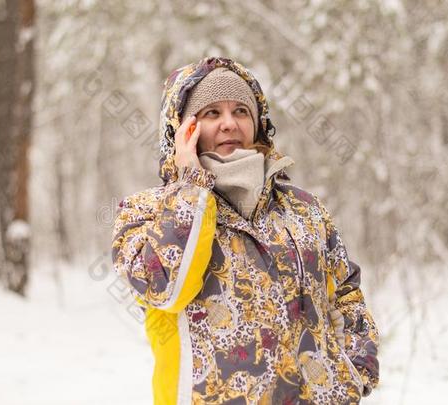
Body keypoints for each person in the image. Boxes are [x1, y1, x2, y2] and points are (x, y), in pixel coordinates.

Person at [111, 56, 379, 404]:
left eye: (240, 111)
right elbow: (166, 288)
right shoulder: (147, 211)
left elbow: (345, 293)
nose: (229, 124)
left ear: (258, 123)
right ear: (182, 127)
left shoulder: (303, 209)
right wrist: (191, 187)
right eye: (211, 113)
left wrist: (353, 373)